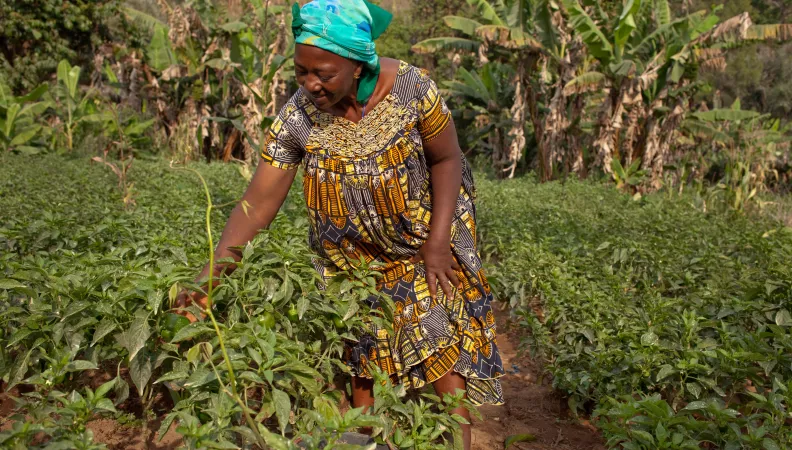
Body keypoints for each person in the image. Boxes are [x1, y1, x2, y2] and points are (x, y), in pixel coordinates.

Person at [177, 1, 504, 447]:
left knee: (440, 340)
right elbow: (256, 203)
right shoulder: (298, 118)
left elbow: (446, 159)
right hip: (349, 262)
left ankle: (456, 442)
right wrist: (211, 276)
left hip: (420, 242)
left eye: (324, 74)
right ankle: (363, 439)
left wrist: (438, 240)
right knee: (360, 360)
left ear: (357, 63)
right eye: (300, 72)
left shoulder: (411, 89)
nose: (311, 85)